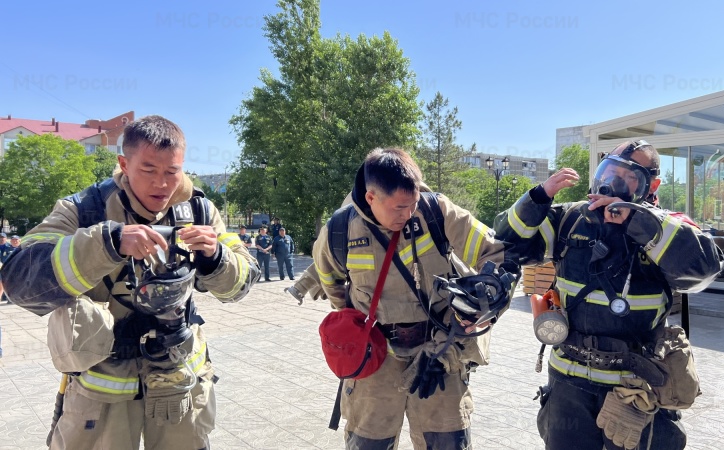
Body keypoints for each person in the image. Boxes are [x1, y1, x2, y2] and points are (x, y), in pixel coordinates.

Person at [0, 115, 260, 450]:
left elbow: (242, 282)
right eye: (149, 170)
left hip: (178, 381)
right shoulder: (84, 209)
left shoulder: (200, 209)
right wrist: (107, 243)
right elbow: (20, 279)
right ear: (124, 163)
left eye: (172, 171)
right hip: (100, 392)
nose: (162, 184)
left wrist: (215, 257)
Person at [494, 140, 723, 450]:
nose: (613, 183)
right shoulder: (571, 219)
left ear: (651, 184)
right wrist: (539, 197)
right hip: (568, 383)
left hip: (633, 387)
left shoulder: (663, 226)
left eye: (628, 177)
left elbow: (704, 267)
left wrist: (639, 223)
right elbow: (508, 244)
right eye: (609, 172)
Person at [312, 147, 516, 449]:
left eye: (413, 203)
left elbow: (497, 255)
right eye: (398, 208)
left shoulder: (438, 211)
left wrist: (482, 307)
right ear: (371, 197)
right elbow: (330, 282)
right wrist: (356, 326)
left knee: (448, 443)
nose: (408, 215)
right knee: (368, 444)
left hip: (438, 354)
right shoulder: (340, 230)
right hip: (374, 363)